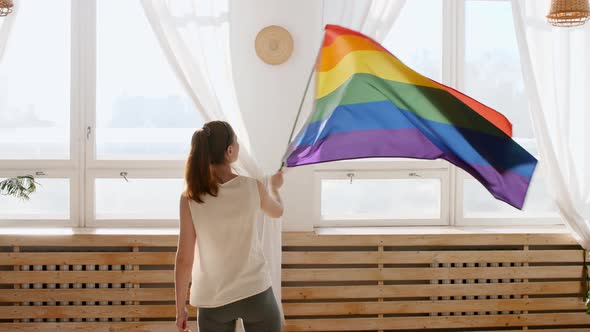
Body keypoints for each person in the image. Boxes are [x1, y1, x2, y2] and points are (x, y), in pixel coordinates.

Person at [174, 120, 284, 332]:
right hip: (255, 294)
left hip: (213, 300)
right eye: (236, 141)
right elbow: (277, 211)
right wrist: (275, 188)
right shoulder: (253, 187)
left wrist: (180, 309)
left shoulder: (190, 198)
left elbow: (184, 258)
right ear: (230, 150)